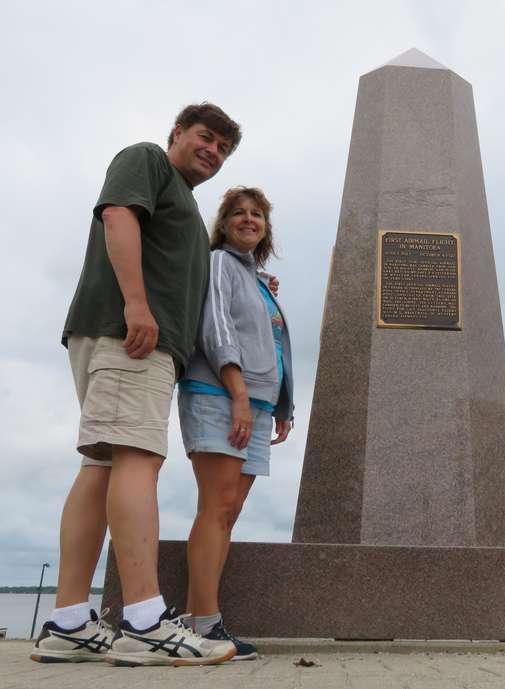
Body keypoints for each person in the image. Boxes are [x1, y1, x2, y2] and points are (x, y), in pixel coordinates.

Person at [31, 104, 242, 667]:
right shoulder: (147, 160)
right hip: (133, 336)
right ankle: (146, 623)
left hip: (132, 340)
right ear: (176, 133)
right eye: (205, 137)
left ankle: (71, 623)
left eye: (223, 148)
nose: (213, 151)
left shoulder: (185, 203)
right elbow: (118, 215)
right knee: (136, 458)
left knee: (102, 466)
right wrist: (136, 304)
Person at [178, 186, 294, 660]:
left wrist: (281, 406)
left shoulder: (258, 280)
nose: (249, 220)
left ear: (266, 228)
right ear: (223, 224)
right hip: (221, 396)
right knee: (217, 507)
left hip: (257, 404)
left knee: (228, 512)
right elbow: (217, 329)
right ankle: (205, 625)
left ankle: (196, 620)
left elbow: (275, 347)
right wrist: (240, 394)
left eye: (257, 214)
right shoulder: (219, 263)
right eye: (239, 213)